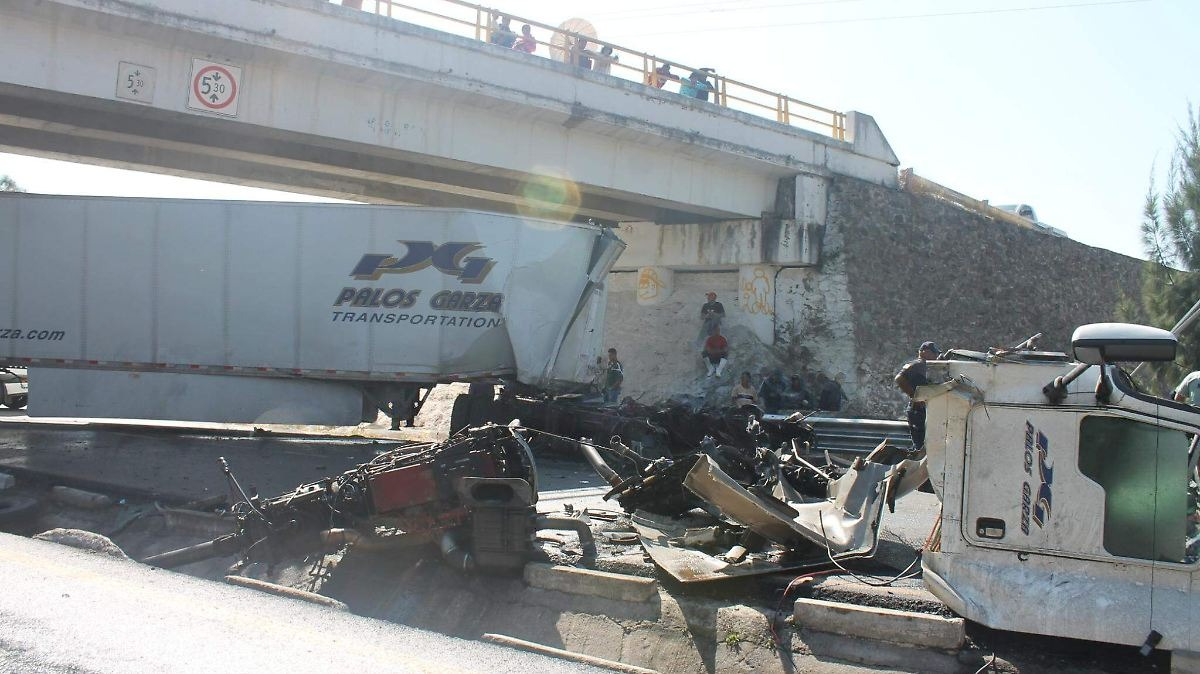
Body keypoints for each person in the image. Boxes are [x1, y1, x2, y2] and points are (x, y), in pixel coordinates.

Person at [895, 341, 941, 450]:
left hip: (921, 410)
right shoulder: (918, 364)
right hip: (917, 410)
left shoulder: (924, 365)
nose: (936, 356)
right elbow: (899, 378)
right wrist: (913, 395)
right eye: (934, 353)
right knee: (920, 444)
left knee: (924, 442)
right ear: (925, 352)